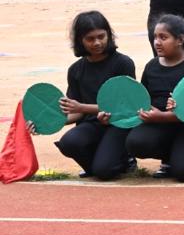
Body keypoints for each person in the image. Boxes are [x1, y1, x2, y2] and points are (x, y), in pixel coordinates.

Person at [127, 15, 184, 181]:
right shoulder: (152, 66)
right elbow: (144, 98)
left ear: (180, 39)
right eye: (155, 37)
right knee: (135, 143)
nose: (157, 42)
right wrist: (146, 112)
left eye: (163, 37)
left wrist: (164, 116)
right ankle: (170, 156)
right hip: (161, 124)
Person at [52, 11, 138, 180]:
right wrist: (47, 123)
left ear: (109, 35)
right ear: (80, 41)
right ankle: (99, 164)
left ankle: (125, 160)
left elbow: (128, 106)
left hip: (118, 124)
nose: (97, 42)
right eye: (90, 39)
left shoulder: (123, 63)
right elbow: (76, 111)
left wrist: (82, 107)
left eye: (101, 36)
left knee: (104, 171)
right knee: (69, 143)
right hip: (91, 124)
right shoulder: (76, 69)